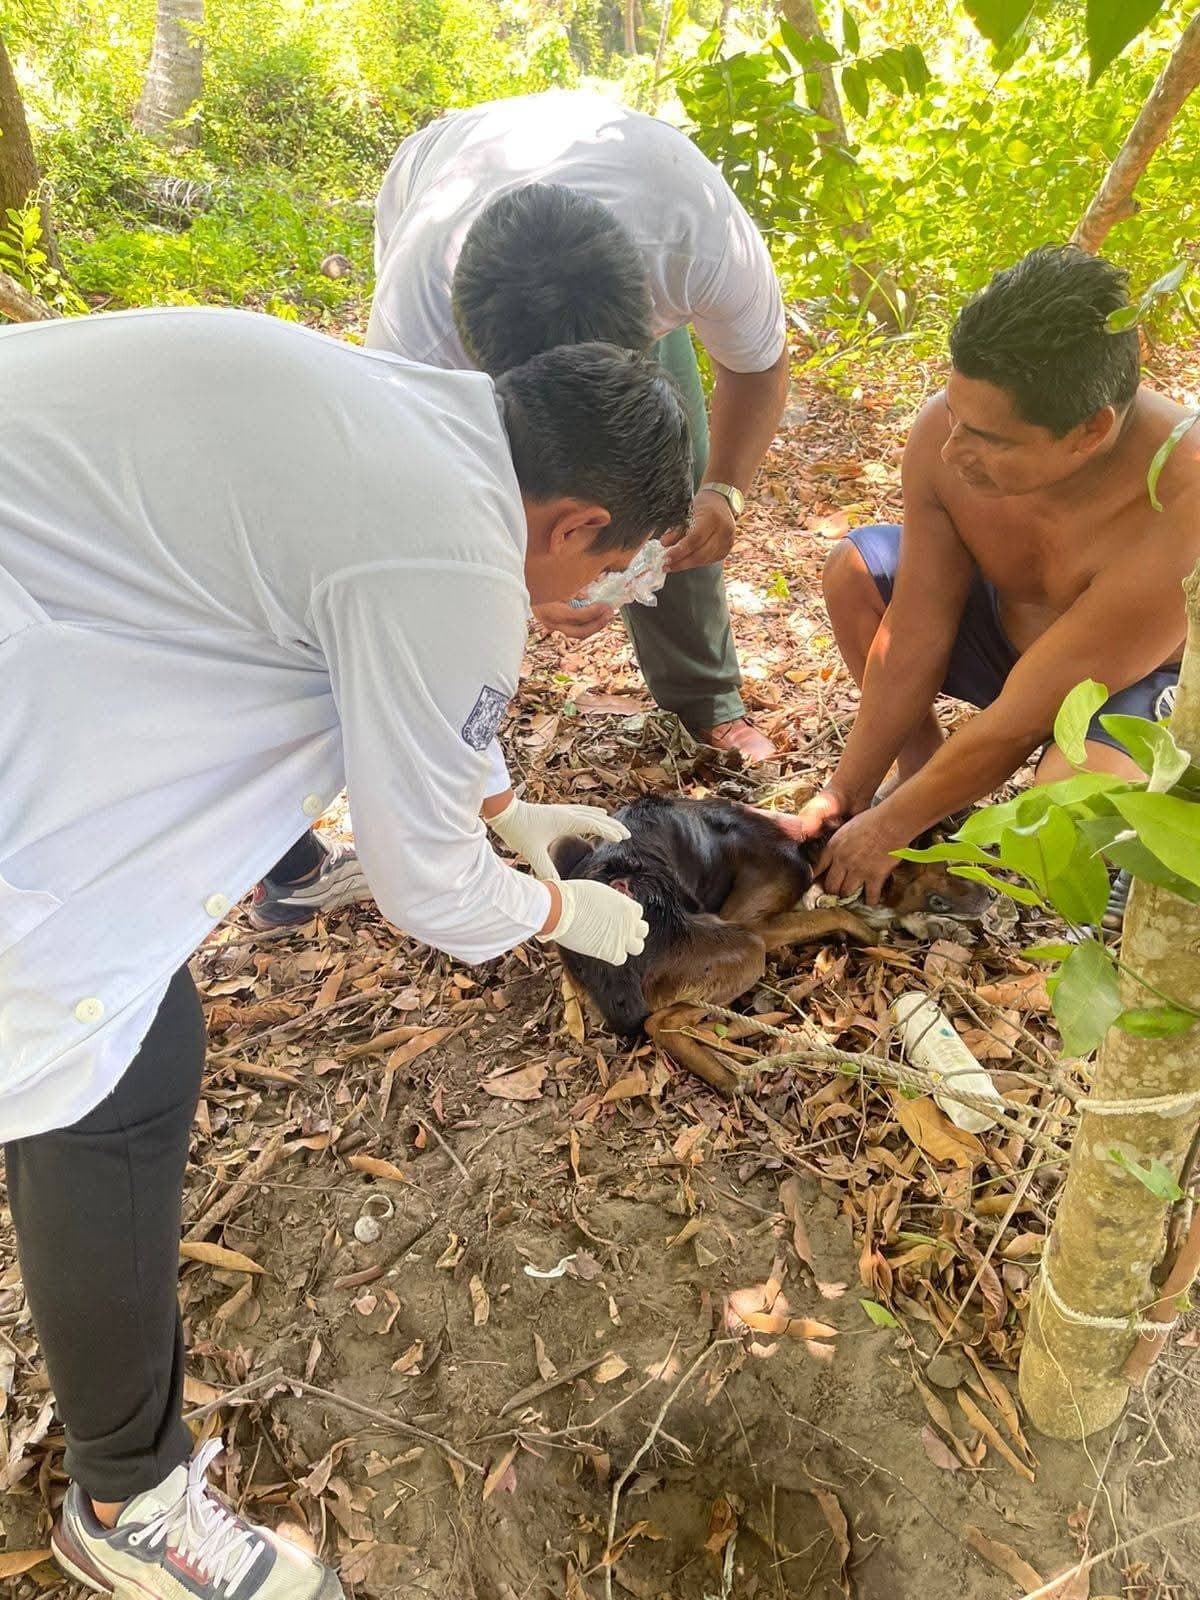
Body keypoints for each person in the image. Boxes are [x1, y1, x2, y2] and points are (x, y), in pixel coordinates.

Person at [0, 306, 692, 1598]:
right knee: (110, 1065)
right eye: (621, 575)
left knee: (127, 1040)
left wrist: (502, 806)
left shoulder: (407, 418)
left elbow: (390, 669)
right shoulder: (453, 558)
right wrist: (562, 916)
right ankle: (128, 1505)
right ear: (575, 524)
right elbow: (428, 891)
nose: (604, 608)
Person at [792, 245, 1200, 916]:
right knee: (854, 569)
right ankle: (921, 781)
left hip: (1123, 684)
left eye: (993, 440)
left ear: (1089, 431)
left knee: (1057, 828)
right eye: (954, 414)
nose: (954, 452)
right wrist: (847, 795)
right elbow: (916, 629)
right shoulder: (944, 439)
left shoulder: (1180, 504)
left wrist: (887, 833)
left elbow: (1025, 716)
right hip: (1008, 633)